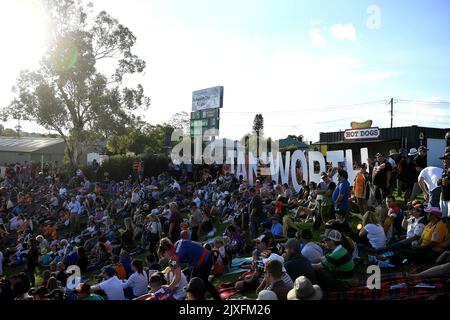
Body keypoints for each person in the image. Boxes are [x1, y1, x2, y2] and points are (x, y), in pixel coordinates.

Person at [438, 147, 450, 227]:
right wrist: (440, 181)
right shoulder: (445, 170)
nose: (443, 161)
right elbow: (442, 182)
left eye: (445, 159)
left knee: (449, 219)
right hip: (444, 197)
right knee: (443, 217)